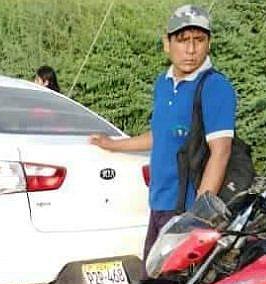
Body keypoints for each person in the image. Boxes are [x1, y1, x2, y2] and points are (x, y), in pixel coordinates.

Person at [89, 4, 236, 263]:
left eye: (198, 40)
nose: (191, 50)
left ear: (209, 44)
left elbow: (220, 151)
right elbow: (160, 135)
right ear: (167, 44)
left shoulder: (215, 87)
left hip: (186, 211)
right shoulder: (163, 83)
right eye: (182, 40)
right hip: (159, 203)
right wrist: (113, 145)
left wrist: (198, 218)